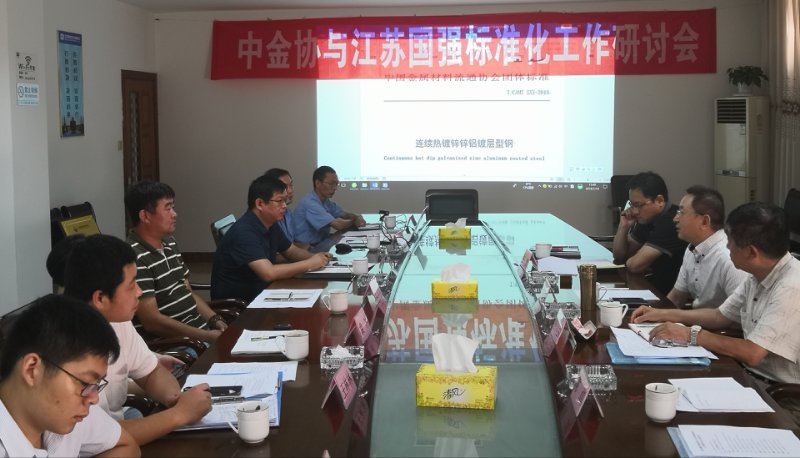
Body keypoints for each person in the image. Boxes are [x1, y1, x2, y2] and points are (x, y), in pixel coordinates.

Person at [63, 234, 212, 446]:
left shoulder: (118, 321)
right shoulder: (66, 350)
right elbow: (101, 437)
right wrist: (180, 414)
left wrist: (174, 398)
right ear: (100, 299)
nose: (139, 292)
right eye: (132, 285)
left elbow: (151, 372)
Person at [632, 202, 800, 386]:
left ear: (751, 252)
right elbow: (719, 316)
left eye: (731, 240)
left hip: (780, 393)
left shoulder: (791, 287)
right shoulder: (758, 275)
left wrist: (690, 334)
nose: (727, 245)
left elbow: (753, 353)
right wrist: (661, 314)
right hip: (749, 376)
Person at [0, 294, 140, 456]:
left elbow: (126, 445)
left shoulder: (66, 411)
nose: (94, 399)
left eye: (96, 385)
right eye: (85, 382)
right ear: (32, 370)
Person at [125, 180, 225, 344]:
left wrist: (215, 320)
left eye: (173, 207)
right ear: (145, 216)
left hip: (200, 333)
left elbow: (187, 292)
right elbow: (152, 321)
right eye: (168, 208)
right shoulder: (133, 257)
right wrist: (206, 337)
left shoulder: (169, 243)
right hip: (177, 344)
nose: (174, 214)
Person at [211, 175, 331, 302]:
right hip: (240, 304)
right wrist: (310, 263)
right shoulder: (244, 232)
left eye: (285, 201)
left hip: (264, 292)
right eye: (279, 201)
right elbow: (269, 273)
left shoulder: (270, 223)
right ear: (260, 204)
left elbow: (291, 252)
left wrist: (318, 257)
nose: (284, 206)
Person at [667, 185, 747, 308]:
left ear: (704, 222)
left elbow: (739, 314)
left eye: (681, 212)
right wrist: (653, 314)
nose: (675, 219)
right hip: (696, 318)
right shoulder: (692, 248)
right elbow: (677, 297)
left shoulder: (729, 257)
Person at [612, 171, 688, 294]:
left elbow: (634, 265)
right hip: (654, 287)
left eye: (638, 205)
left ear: (659, 200)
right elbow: (620, 256)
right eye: (632, 205)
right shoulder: (647, 218)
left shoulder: (671, 222)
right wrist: (623, 227)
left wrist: (632, 259)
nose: (634, 211)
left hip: (668, 295)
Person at [293, 165, 366, 248]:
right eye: (331, 184)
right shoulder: (310, 203)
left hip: (321, 242)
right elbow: (338, 225)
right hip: (306, 248)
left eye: (336, 184)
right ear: (317, 183)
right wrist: (354, 220)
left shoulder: (326, 202)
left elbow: (345, 214)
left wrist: (357, 216)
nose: (335, 188)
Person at [263, 167, 296, 244]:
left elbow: (289, 244)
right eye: (284, 187)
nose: (290, 191)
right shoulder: (268, 217)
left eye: (291, 185)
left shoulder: (288, 213)